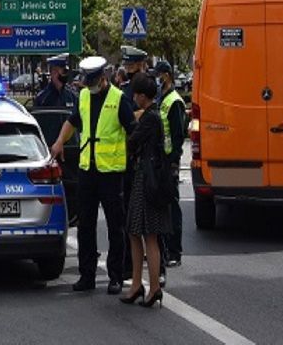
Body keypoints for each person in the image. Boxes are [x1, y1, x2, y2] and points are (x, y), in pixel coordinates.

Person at [50, 55, 136, 294]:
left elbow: (132, 130)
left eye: (92, 80)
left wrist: (131, 156)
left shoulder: (119, 99)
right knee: (85, 225)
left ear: (103, 77)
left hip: (111, 172)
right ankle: (86, 275)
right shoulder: (84, 96)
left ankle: (116, 276)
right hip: (87, 170)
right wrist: (58, 143)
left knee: (114, 226)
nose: (88, 84)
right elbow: (72, 121)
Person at [121, 72, 171, 308]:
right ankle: (142, 285)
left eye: (136, 95)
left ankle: (149, 286)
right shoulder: (154, 115)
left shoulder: (149, 118)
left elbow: (132, 142)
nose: (134, 98)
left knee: (145, 233)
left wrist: (132, 123)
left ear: (142, 96)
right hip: (150, 179)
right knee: (139, 232)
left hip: (146, 180)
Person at [155, 60, 186, 267]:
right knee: (162, 208)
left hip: (169, 162)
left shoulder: (174, 101)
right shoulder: (162, 98)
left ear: (167, 75)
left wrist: (174, 162)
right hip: (160, 160)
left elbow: (177, 135)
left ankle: (175, 251)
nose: (157, 79)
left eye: (159, 75)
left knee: (172, 208)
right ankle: (165, 250)